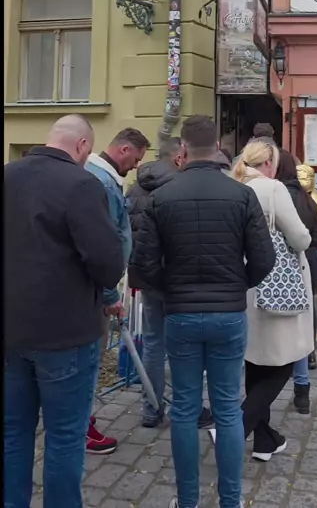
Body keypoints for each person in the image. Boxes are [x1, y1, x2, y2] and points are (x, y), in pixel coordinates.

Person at [130, 115, 275, 508]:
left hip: (181, 315)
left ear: (183, 150)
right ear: (219, 149)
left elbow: (143, 264)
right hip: (228, 314)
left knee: (184, 409)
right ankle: (231, 500)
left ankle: (188, 500)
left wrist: (171, 290)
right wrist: (236, 286)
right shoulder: (241, 195)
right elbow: (265, 259)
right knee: (227, 409)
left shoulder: (162, 197)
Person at [4, 115, 124, 508]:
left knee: (13, 433)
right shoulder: (81, 184)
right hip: (66, 333)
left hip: (11, 331)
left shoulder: (8, 175)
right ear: (83, 146)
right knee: (65, 437)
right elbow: (108, 263)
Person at [231, 141, 313, 460]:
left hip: (245, 286)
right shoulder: (272, 188)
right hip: (276, 287)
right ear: (268, 163)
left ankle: (265, 440)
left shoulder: (235, 185)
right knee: (285, 361)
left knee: (256, 360)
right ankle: (235, 428)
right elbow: (300, 237)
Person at [126, 136, 214, 430]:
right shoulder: (180, 188)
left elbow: (128, 234)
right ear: (179, 159)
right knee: (184, 344)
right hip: (180, 280)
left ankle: (151, 408)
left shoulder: (136, 187)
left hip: (147, 278)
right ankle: (190, 408)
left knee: (153, 343)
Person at [84, 127, 150, 453]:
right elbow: (101, 243)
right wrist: (110, 294)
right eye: (136, 159)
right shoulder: (102, 182)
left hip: (96, 286)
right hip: (96, 290)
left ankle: (80, 418)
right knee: (89, 359)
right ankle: (81, 425)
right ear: (124, 150)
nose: (136, 166)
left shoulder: (101, 177)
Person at [276, 150, 317, 413]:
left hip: (284, 264)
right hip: (309, 260)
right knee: (303, 317)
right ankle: (302, 387)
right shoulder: (310, 199)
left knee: (278, 322)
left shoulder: (277, 197)